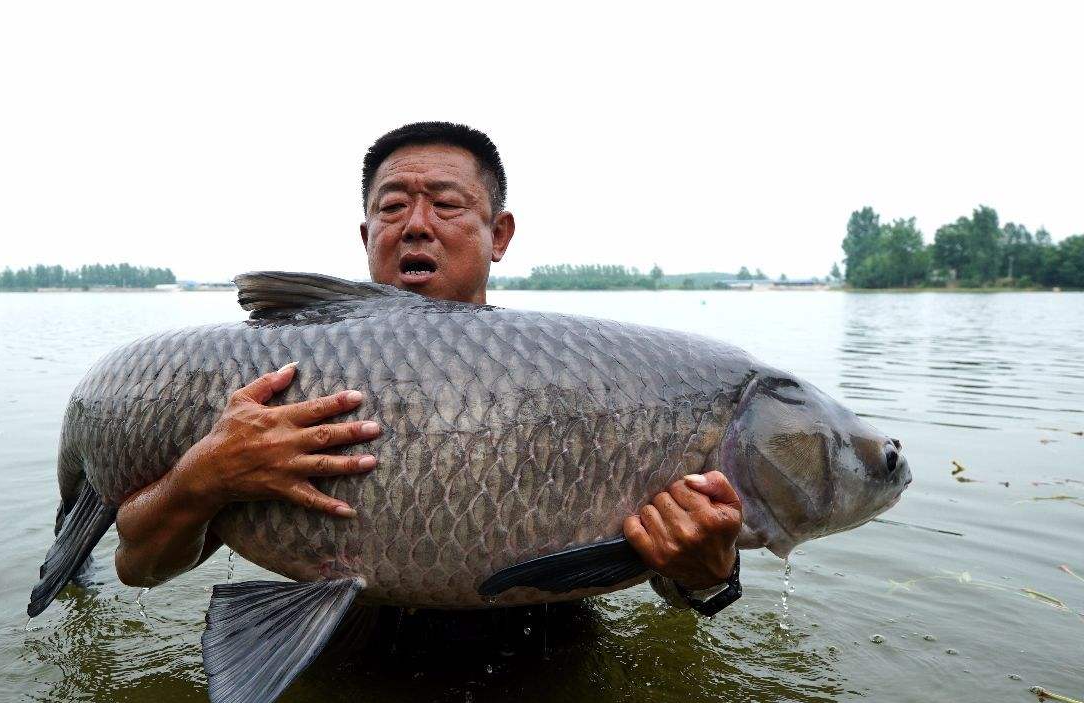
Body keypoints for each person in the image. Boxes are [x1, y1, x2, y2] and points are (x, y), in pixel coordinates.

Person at [114, 122, 743, 614]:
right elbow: (138, 567)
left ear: (499, 234)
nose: (416, 225)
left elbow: (689, 592)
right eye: (392, 208)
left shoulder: (591, 376)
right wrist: (206, 477)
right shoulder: (274, 381)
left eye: (445, 204)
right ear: (365, 236)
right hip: (344, 653)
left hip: (547, 661)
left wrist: (709, 575)